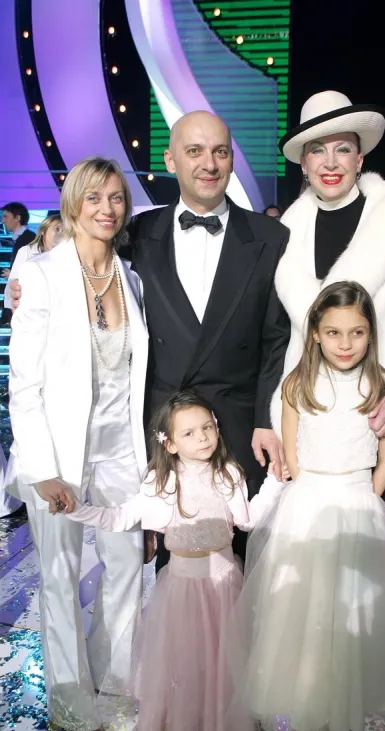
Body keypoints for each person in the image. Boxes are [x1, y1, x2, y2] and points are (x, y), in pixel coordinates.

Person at [9, 113, 290, 567]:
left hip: (237, 432)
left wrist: (266, 420)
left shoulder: (271, 237)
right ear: (170, 159)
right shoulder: (138, 234)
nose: (208, 163)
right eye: (194, 151)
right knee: (172, 578)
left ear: (233, 159)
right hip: (162, 436)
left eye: (219, 151)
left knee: (241, 574)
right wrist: (21, 283)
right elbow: (77, 264)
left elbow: (278, 339)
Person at [229, 282, 385, 731]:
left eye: (356, 332)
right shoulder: (295, 384)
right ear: (315, 333)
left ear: (371, 332)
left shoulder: (383, 384)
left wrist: (361, 502)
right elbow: (292, 456)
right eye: (333, 332)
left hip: (356, 510)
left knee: (345, 628)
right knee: (301, 626)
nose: (345, 342)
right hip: (305, 510)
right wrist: (310, 498)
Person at [5, 157, 148, 731]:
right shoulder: (39, 275)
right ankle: (67, 699)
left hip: (121, 450)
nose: (107, 208)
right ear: (72, 204)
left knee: (126, 563)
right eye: (94, 198)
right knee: (60, 574)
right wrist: (40, 469)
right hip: (58, 454)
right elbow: (24, 382)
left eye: (116, 197)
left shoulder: (131, 277)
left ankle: (112, 673)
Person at [64, 390, 286, 731]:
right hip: (181, 589)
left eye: (207, 427)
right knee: (186, 661)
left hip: (225, 585)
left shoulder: (228, 473)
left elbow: (247, 519)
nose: (202, 437)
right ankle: (189, 726)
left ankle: (222, 730)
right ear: (168, 444)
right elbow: (120, 518)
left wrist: (276, 484)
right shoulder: (159, 483)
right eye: (189, 433)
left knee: (225, 663)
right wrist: (78, 511)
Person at [271, 91, 385, 516]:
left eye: (343, 149)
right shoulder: (284, 231)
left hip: (377, 414)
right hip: (309, 421)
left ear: (360, 158)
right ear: (304, 162)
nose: (330, 163)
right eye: (318, 150)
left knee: (366, 563)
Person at [4, 215, 63, 312]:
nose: (60, 233)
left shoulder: (66, 255)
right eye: (57, 229)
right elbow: (13, 284)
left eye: (65, 231)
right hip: (30, 310)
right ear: (43, 231)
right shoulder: (27, 251)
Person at [2, 201, 34, 270]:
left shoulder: (28, 238)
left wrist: (14, 275)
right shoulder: (24, 237)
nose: (3, 221)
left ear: (17, 218)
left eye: (5, 217)